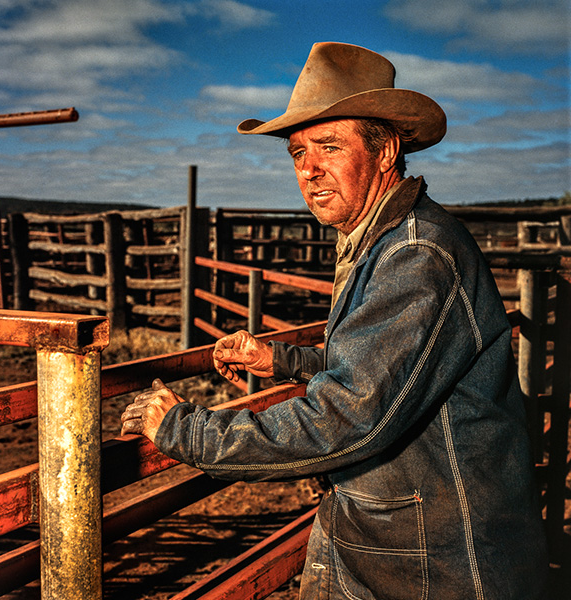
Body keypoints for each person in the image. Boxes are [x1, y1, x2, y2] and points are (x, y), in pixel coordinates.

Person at [121, 42, 548, 599]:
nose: (310, 170)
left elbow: (351, 415)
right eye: (298, 153)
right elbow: (390, 364)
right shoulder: (381, 238)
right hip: (399, 538)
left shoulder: (416, 256)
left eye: (328, 146)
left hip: (437, 563)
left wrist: (189, 430)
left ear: (386, 149)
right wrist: (282, 360)